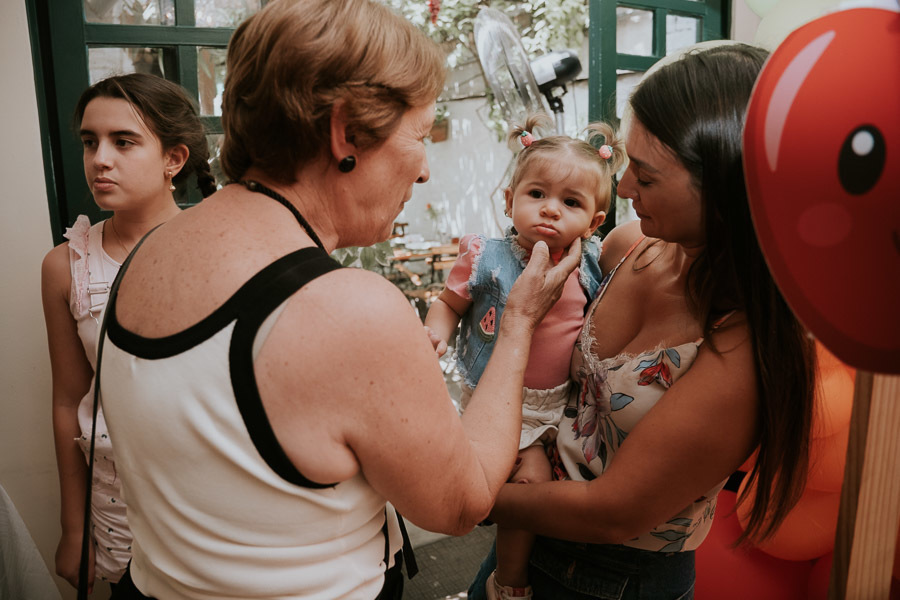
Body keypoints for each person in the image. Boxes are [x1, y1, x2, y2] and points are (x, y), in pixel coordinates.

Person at [92, 1, 581, 599]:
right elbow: (462, 502)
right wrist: (520, 322)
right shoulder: (346, 307)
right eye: (421, 136)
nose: (426, 171)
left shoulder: (146, 252)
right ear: (345, 133)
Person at [467, 43, 817, 600]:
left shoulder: (744, 349)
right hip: (528, 524)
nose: (624, 187)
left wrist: (463, 491)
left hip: (620, 579)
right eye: (626, 164)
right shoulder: (629, 246)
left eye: (647, 179)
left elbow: (613, 513)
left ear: (727, 193)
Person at [425, 113, 625, 600]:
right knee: (521, 485)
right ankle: (510, 584)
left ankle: (503, 578)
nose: (550, 210)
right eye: (537, 195)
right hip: (496, 397)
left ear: (595, 221)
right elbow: (449, 303)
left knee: (530, 491)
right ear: (510, 199)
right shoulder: (484, 255)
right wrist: (433, 333)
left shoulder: (594, 263)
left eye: (570, 202)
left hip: (558, 405)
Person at [40, 73, 215, 594]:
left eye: (123, 141)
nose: (100, 159)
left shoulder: (218, 252)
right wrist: (75, 529)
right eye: (90, 142)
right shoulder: (66, 266)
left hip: (209, 493)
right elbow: (67, 399)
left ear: (173, 160)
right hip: (117, 505)